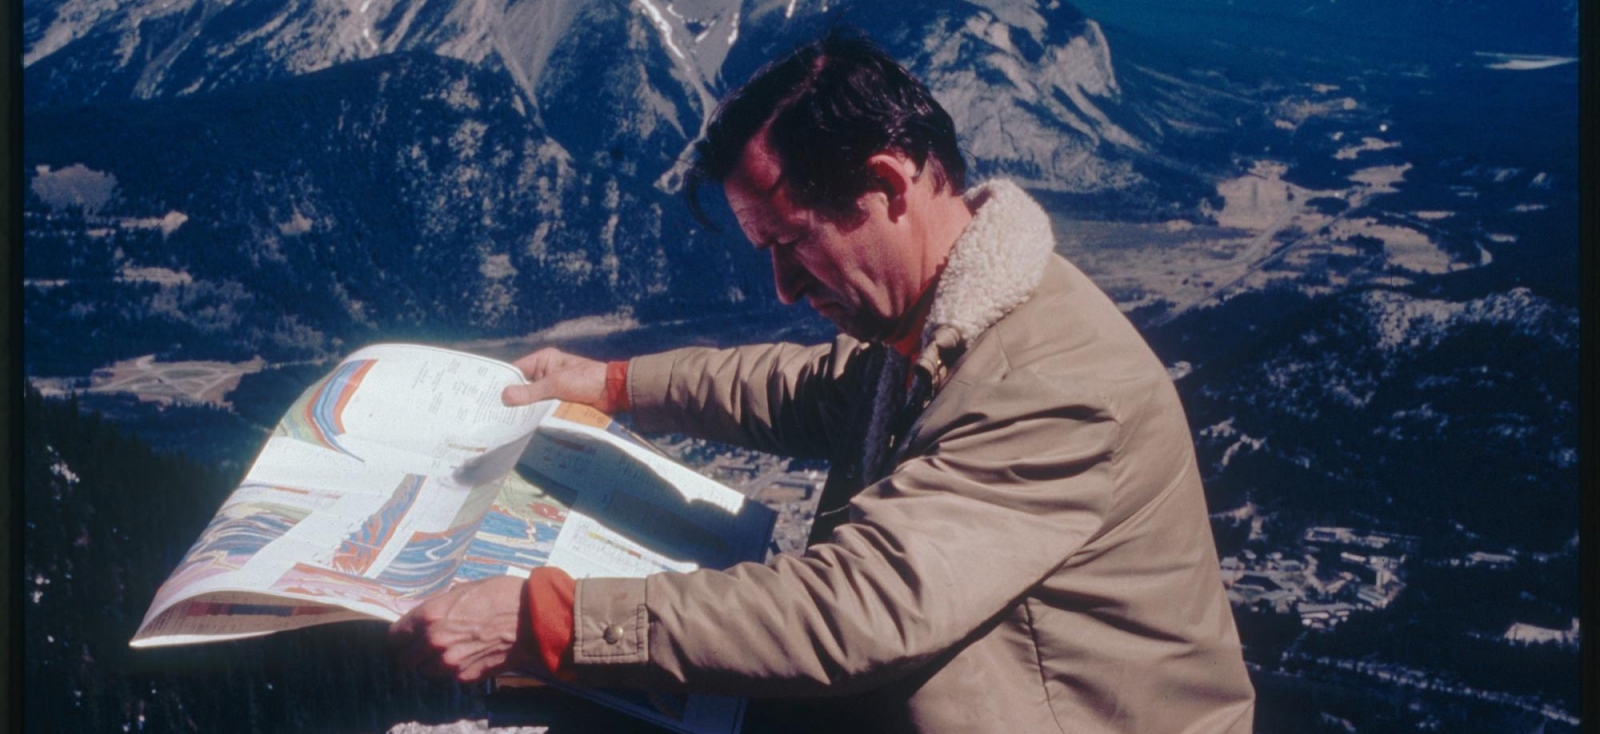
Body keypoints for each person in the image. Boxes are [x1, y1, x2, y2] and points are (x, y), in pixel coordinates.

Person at [389, 29, 1256, 733]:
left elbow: (857, 608)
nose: (783, 288)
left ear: (886, 184)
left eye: (792, 241)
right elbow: (803, 389)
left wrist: (545, 622)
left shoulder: (1050, 382)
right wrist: (611, 383)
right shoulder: (943, 324)